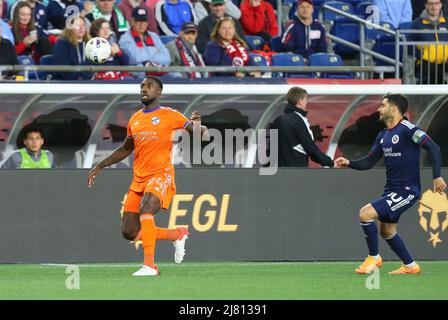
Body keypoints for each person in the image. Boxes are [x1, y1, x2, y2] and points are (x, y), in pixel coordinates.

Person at [87, 76, 208, 276]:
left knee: (146, 208)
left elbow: (200, 134)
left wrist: (197, 125)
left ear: (159, 92)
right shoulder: (135, 119)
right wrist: (100, 165)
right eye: (142, 86)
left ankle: (150, 266)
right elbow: (126, 148)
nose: (144, 89)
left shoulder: (170, 114)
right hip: (139, 180)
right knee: (129, 232)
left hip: (161, 175)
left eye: (149, 86)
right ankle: (177, 234)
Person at [334, 94, 446, 275]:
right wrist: (350, 163)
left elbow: (434, 147)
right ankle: (410, 266)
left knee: (365, 213)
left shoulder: (408, 129)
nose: (379, 109)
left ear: (394, 109)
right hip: (392, 191)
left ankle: (374, 257)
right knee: (387, 231)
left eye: (382, 105)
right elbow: (369, 161)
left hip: (407, 191)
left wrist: (437, 176)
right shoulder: (383, 135)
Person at [271, 86, 334, 167]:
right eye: (305, 100)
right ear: (300, 101)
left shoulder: (277, 120)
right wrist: (330, 162)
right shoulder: (299, 120)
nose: (306, 103)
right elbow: (310, 148)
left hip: (278, 171)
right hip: (297, 171)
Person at [412, 0, 448, 84]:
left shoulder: (446, 23)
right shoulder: (417, 23)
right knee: (434, 71)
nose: (433, 6)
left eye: (436, 3)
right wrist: (423, 54)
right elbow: (409, 44)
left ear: (441, 5)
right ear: (426, 5)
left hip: (445, 61)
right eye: (430, 3)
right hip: (425, 63)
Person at [52, 15, 93, 80]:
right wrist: (80, 77)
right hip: (67, 83)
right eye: (77, 25)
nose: (81, 28)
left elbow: (92, 65)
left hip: (87, 81)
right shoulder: (62, 44)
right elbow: (64, 69)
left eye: (83, 25)